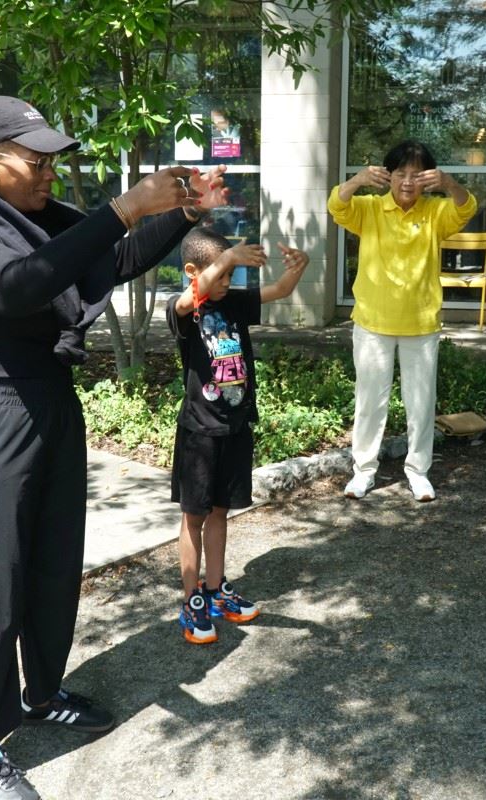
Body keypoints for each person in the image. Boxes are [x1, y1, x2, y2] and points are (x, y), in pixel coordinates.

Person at [0, 95, 229, 800]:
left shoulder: (38, 218)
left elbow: (112, 258)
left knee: (53, 566)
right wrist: (125, 206)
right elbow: (20, 285)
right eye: (35, 161)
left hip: (51, 407)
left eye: (52, 162)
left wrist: (182, 214)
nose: (48, 174)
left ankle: (40, 693)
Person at [167, 227, 307, 644]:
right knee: (194, 517)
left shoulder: (233, 303)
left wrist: (298, 268)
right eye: (220, 273)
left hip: (235, 426)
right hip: (199, 432)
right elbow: (187, 300)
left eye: (231, 275)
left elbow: (280, 289)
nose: (227, 282)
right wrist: (228, 258)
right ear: (192, 271)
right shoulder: (185, 310)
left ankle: (214, 591)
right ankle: (191, 600)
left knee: (220, 512)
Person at [327, 140, 477, 503]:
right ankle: (363, 471)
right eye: (400, 173)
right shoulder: (370, 208)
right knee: (369, 402)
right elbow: (337, 206)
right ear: (388, 175)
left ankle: (418, 472)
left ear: (428, 178)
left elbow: (466, 208)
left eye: (416, 174)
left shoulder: (435, 212)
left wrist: (449, 183)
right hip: (372, 321)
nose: (408, 181)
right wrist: (357, 180)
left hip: (421, 323)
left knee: (421, 403)